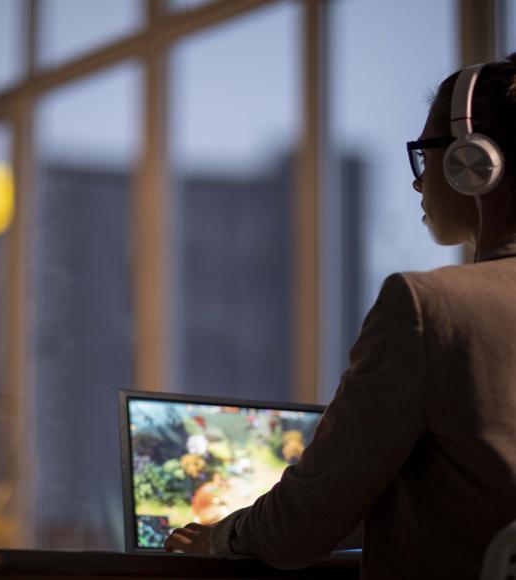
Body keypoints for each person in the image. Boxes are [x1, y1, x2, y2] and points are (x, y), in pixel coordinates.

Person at [164, 55, 516, 580]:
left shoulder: (428, 306)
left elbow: (297, 530)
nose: (420, 184)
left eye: (425, 155)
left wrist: (220, 536)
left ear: (473, 161)